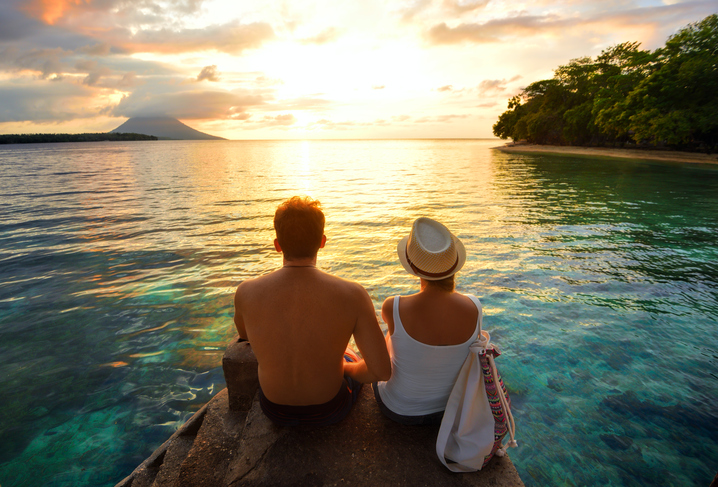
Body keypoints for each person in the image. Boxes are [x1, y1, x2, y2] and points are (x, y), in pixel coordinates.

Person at [234, 196, 391, 426]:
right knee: (348, 351)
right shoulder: (352, 294)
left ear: (277, 245)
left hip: (274, 410)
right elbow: (381, 372)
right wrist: (347, 367)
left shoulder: (246, 292)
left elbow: (245, 336)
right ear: (322, 241)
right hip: (329, 409)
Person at [373, 217, 482, 425]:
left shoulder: (393, 307)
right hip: (448, 410)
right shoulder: (475, 307)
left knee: (391, 339)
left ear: (413, 266)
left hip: (399, 409)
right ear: (454, 263)